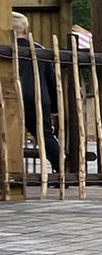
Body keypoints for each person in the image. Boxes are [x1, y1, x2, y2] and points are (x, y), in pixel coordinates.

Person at [10, 12, 60, 174]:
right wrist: (55, 106)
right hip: (38, 98)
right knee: (44, 135)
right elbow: (51, 80)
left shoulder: (6, 49)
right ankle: (60, 169)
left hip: (10, 97)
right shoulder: (39, 50)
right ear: (25, 29)